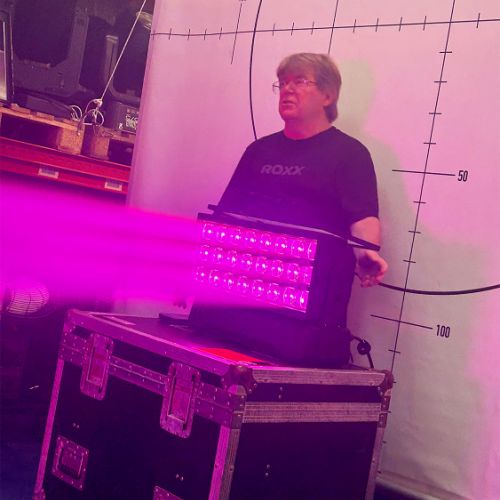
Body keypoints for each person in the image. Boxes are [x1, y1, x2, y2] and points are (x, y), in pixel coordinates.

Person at [213, 53, 388, 367]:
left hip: (305, 327)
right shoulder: (258, 151)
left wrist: (367, 254)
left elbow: (363, 219)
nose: (287, 89)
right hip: (236, 311)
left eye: (300, 81)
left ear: (327, 95)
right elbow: (225, 219)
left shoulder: (349, 154)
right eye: (282, 83)